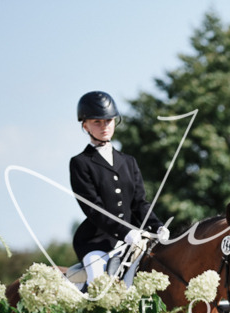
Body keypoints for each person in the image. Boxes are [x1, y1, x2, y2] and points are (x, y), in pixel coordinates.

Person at [70, 91, 166, 287]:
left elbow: (139, 203)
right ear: (85, 125)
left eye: (108, 121)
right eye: (97, 122)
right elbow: (93, 208)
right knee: (98, 280)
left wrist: (158, 226)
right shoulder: (80, 163)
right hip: (97, 242)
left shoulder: (128, 161)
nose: (104, 126)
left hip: (135, 239)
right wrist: (124, 232)